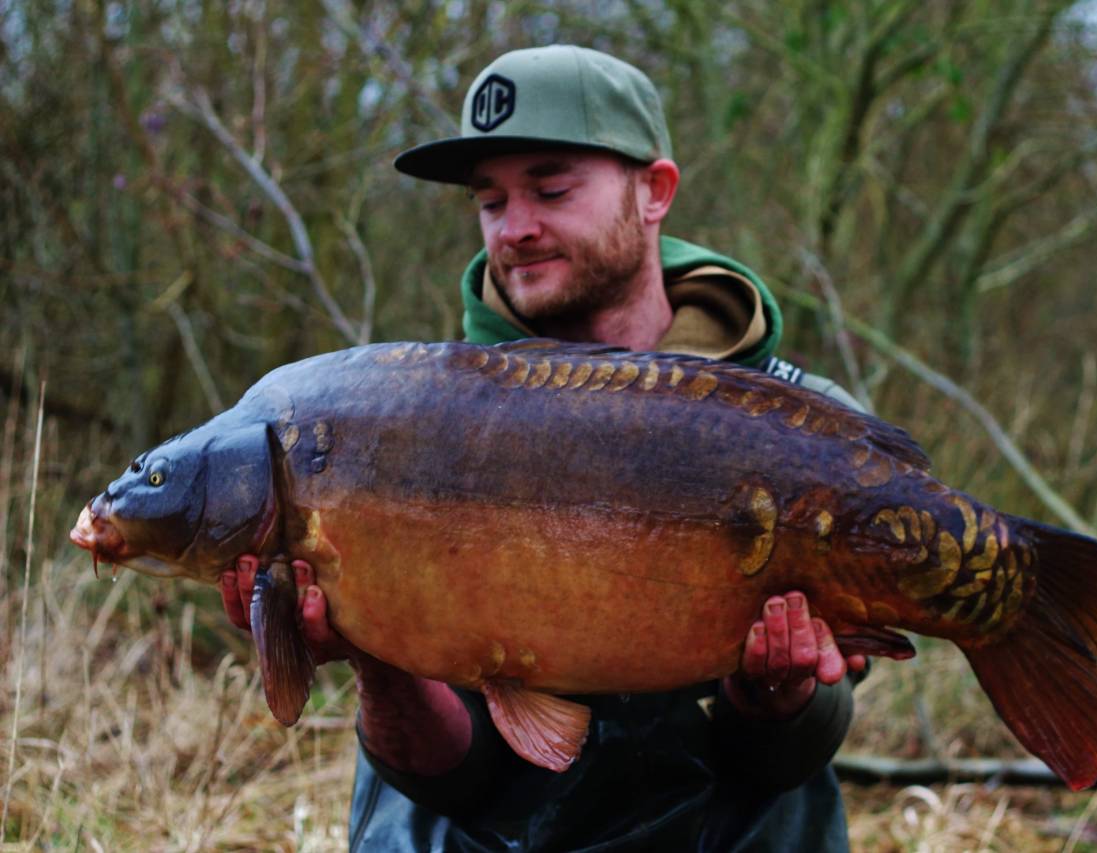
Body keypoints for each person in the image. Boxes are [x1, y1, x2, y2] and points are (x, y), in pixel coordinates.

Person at [220, 45, 872, 852]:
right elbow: (450, 776)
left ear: (655, 190)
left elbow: (789, 755)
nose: (516, 228)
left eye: (552, 188)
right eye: (489, 200)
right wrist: (375, 652)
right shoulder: (398, 423)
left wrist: (780, 695)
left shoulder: (801, 427)